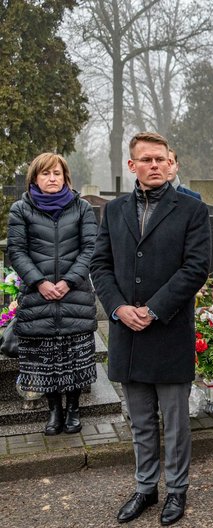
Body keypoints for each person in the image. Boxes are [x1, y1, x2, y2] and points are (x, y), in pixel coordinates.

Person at [91, 132, 211, 526]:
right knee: (140, 420)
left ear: (171, 163)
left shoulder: (191, 210)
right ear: (133, 166)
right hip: (127, 331)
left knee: (175, 423)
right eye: (146, 159)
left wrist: (154, 309)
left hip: (169, 329)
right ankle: (145, 487)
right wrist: (118, 308)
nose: (154, 165)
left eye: (160, 158)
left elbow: (195, 268)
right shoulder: (114, 211)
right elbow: (100, 266)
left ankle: (176, 491)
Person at [6, 153, 98, 436]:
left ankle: (73, 409)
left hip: (75, 295)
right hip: (38, 296)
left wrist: (69, 281)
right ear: (34, 177)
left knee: (73, 357)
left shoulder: (82, 208)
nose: (52, 178)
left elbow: (90, 248)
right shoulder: (21, 209)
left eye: (57, 173)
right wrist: (39, 282)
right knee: (46, 360)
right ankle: (54, 411)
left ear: (65, 177)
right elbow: (17, 251)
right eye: (45, 174)